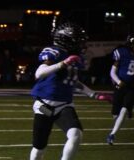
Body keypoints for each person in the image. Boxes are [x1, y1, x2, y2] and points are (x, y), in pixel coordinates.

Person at [29, 22, 112, 160]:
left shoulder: (73, 57)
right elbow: (39, 73)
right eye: (78, 41)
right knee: (39, 147)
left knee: (76, 134)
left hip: (64, 105)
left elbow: (72, 81)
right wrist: (63, 63)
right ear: (66, 40)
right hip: (43, 106)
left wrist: (94, 94)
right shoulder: (56, 52)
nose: (82, 44)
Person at [106, 32, 134, 145]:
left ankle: (112, 134)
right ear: (130, 44)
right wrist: (119, 81)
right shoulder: (121, 53)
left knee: (123, 110)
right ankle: (125, 113)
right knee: (116, 113)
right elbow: (112, 72)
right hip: (120, 86)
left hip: (133, 87)